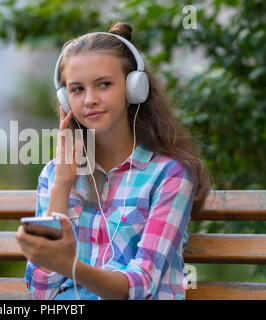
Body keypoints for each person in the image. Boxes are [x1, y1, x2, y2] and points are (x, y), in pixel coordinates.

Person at [15, 21, 212, 300]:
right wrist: (62, 184)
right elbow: (41, 291)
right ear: (65, 100)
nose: (90, 100)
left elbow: (142, 285)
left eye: (104, 84)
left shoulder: (170, 175)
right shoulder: (55, 175)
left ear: (135, 88)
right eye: (77, 89)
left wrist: (71, 266)